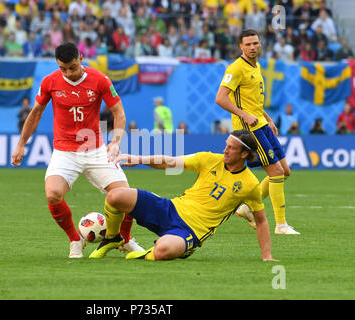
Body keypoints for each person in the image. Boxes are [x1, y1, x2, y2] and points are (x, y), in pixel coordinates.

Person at [11, 43, 144, 258]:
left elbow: (118, 111)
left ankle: (125, 240)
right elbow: (36, 113)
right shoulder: (49, 82)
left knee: (126, 196)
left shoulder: (100, 80)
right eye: (63, 69)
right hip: (64, 152)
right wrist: (21, 144)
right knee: (53, 194)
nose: (68, 73)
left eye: (72, 67)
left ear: (81, 59)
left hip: (96, 150)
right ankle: (75, 239)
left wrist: (116, 141)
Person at [89, 130, 278, 261]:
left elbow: (261, 221)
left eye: (231, 148)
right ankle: (113, 238)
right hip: (170, 208)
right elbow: (170, 162)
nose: (225, 150)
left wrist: (267, 256)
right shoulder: (209, 159)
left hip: (189, 232)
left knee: (162, 251)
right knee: (115, 196)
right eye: (226, 145)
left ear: (244, 153)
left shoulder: (250, 184)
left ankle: (145, 254)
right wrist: (137, 159)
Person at [215, 29, 299, 235]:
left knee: (285, 172)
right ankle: (281, 225)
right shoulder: (236, 68)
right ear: (241, 47)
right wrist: (243, 115)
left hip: (262, 124)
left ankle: (245, 208)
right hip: (249, 129)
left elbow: (253, 101)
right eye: (248, 44)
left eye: (255, 43)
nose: (252, 47)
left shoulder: (256, 66)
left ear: (260, 44)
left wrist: (269, 119)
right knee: (276, 172)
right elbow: (221, 98)